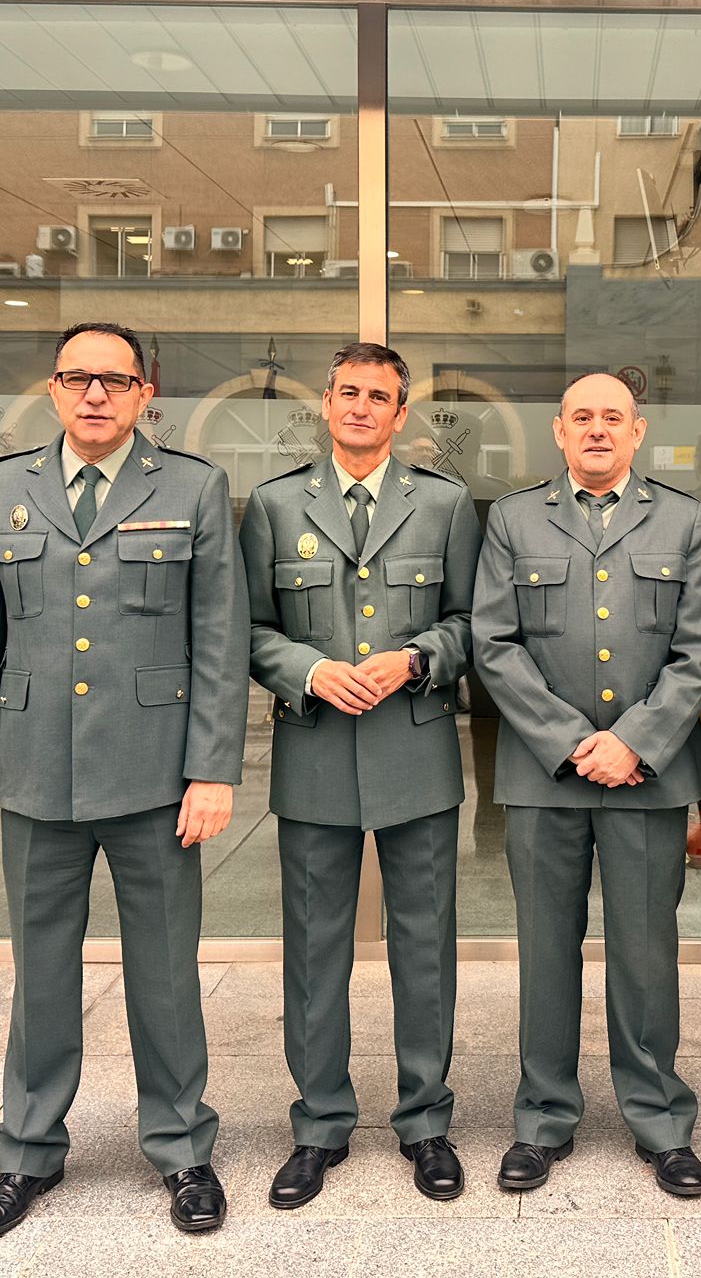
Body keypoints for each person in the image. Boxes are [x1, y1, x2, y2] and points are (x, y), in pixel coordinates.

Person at [0, 320, 250, 1240]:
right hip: (37, 774)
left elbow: (218, 643)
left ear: (146, 393)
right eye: (78, 379)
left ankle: (183, 1148)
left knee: (165, 971)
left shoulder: (191, 486)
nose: (96, 396)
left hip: (157, 779)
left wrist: (212, 770)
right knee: (40, 975)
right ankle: (27, 1154)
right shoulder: (2, 487)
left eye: (115, 380)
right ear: (54, 390)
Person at [240, 342, 480, 1208]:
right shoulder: (273, 505)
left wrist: (417, 658)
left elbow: (471, 622)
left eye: (380, 396)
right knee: (314, 950)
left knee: (425, 947)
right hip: (313, 756)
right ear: (326, 402)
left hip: (414, 753)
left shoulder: (446, 504)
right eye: (348, 392)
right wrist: (306, 669)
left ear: (401, 413)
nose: (361, 407)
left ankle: (426, 1122)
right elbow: (251, 628)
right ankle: (320, 1125)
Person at [473, 372, 701, 1200]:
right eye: (583, 417)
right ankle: (542, 1118)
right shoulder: (512, 517)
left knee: (646, 954)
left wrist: (635, 743)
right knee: (546, 951)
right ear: (559, 430)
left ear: (638, 432)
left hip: (646, 776)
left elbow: (698, 651)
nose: (598, 430)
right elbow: (494, 643)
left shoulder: (683, 519)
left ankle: (659, 1120)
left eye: (614, 417)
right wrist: (575, 742)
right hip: (546, 776)